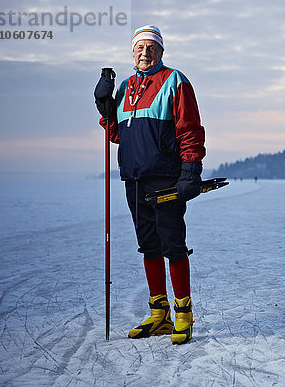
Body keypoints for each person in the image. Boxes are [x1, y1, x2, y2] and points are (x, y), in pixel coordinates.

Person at [95, 25, 205, 345]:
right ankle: (160, 315)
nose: (145, 52)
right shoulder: (126, 86)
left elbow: (189, 128)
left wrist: (191, 170)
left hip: (165, 177)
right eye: (139, 48)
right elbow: (118, 134)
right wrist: (105, 109)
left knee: (172, 244)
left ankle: (183, 313)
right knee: (149, 245)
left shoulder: (174, 80)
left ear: (160, 52)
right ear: (132, 53)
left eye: (151, 47)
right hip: (134, 177)